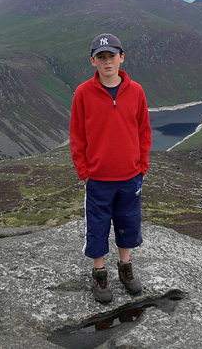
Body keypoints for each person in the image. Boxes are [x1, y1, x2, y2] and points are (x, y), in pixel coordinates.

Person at [69, 33, 152, 303]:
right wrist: (85, 173)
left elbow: (144, 130)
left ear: (122, 58)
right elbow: (77, 135)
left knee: (128, 223)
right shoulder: (83, 93)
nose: (108, 62)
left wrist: (142, 166)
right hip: (98, 179)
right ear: (93, 61)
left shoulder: (136, 91)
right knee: (98, 226)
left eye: (112, 56)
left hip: (130, 177)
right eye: (101, 57)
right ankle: (99, 273)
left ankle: (125, 268)